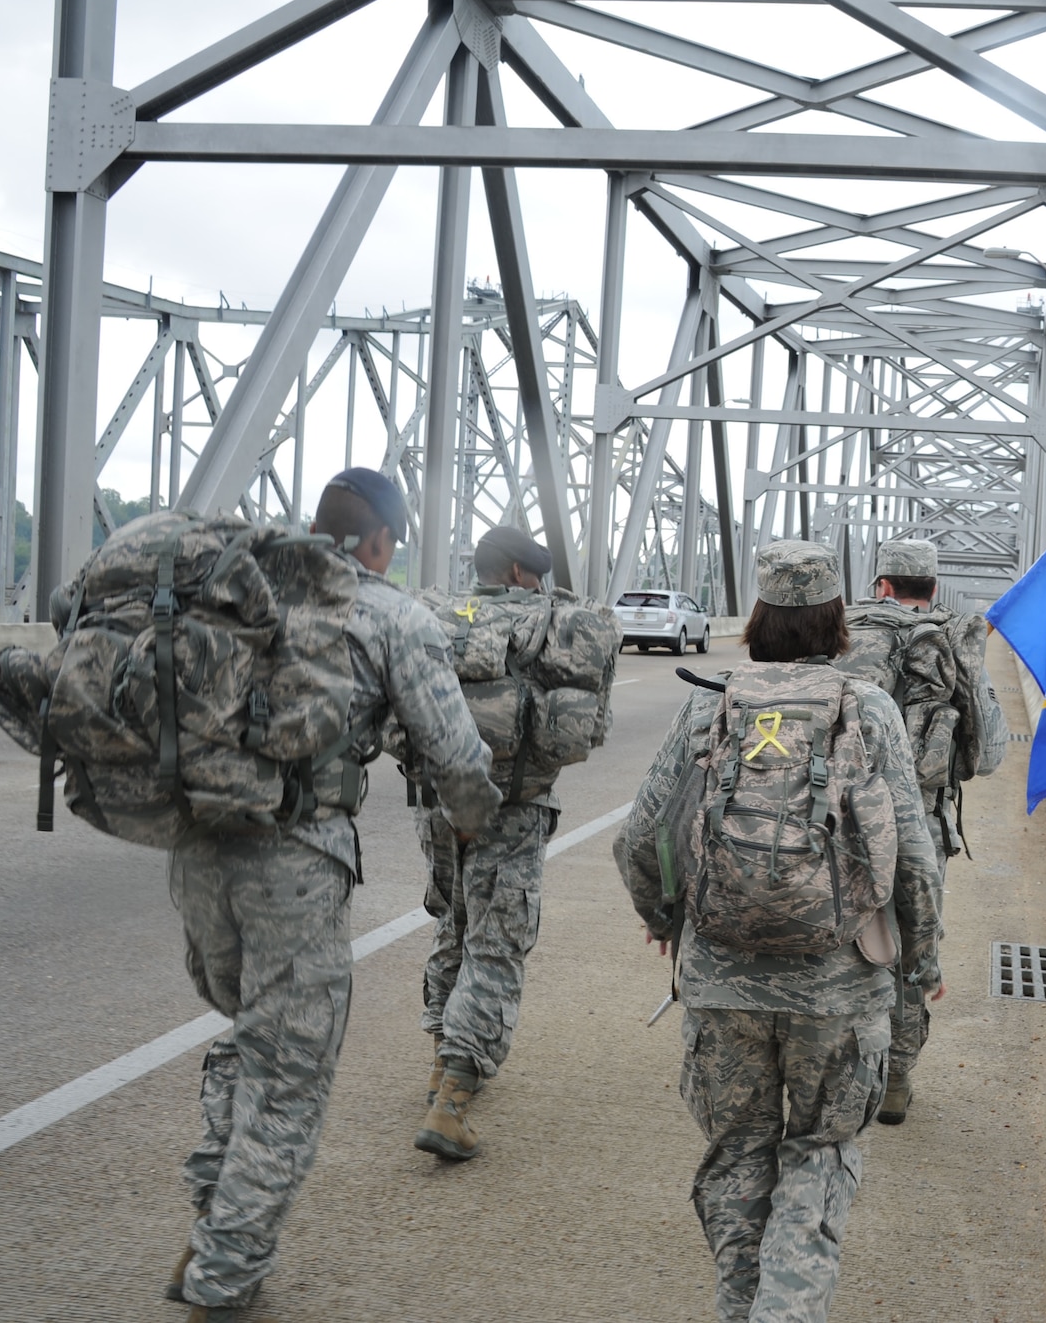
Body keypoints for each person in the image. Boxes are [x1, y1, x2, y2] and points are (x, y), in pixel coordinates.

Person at [171, 469, 501, 1322]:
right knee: (289, 1072)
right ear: (383, 542)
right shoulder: (387, 613)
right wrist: (472, 821)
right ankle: (223, 1277)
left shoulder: (232, 592)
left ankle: (211, 1221)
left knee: (250, 1035)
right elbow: (456, 756)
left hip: (197, 846)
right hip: (296, 857)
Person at [615, 540, 945, 1323]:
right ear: (838, 622)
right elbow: (915, 861)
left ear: (758, 617)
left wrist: (666, 916)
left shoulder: (709, 702)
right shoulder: (868, 708)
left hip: (722, 981)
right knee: (819, 1156)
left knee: (737, 1158)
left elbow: (638, 837)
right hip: (840, 986)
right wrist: (921, 964)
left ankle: (742, 1308)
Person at [836, 537, 1007, 1124]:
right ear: (933, 590)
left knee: (839, 933)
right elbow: (987, 755)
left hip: (840, 819)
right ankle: (897, 1080)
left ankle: (832, 1064)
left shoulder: (842, 631)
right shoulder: (952, 642)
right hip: (921, 826)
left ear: (880, 585)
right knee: (910, 945)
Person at [414, 526, 558, 1160]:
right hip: (512, 806)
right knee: (496, 942)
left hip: (437, 800)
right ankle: (454, 1099)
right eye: (537, 574)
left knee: (456, 920)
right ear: (520, 575)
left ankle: (440, 1063)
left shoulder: (434, 615)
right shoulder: (540, 623)